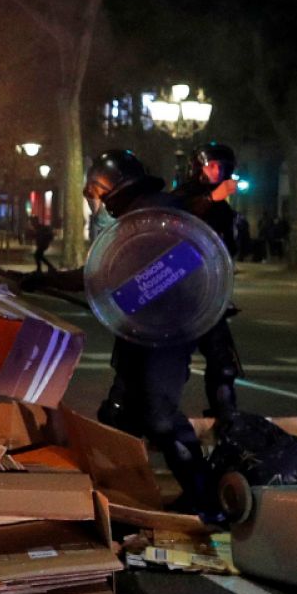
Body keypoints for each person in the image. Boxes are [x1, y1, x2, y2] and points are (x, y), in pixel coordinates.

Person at [79, 150, 219, 521]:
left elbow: (109, 275)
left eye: (98, 192)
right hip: (142, 333)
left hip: (166, 335)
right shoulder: (138, 217)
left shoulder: (153, 219)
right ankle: (115, 501)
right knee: (118, 413)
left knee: (159, 419)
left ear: (112, 190)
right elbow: (109, 274)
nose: (99, 201)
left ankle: (206, 500)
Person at [174, 140, 243, 422]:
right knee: (170, 364)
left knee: (224, 364)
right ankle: (157, 417)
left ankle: (226, 417)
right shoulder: (184, 196)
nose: (217, 170)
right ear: (199, 168)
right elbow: (179, 219)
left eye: (221, 166)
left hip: (211, 292)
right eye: (211, 165)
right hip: (180, 292)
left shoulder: (224, 208)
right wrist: (211, 198)